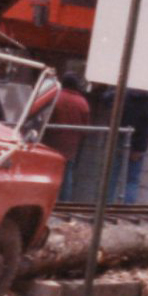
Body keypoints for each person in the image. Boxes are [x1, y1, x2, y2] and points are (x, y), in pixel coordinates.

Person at [43, 72, 90, 202]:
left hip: (51, 142)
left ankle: (46, 199)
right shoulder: (82, 102)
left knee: (49, 172)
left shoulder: (55, 97)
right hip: (71, 145)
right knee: (67, 173)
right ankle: (65, 203)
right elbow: (85, 128)